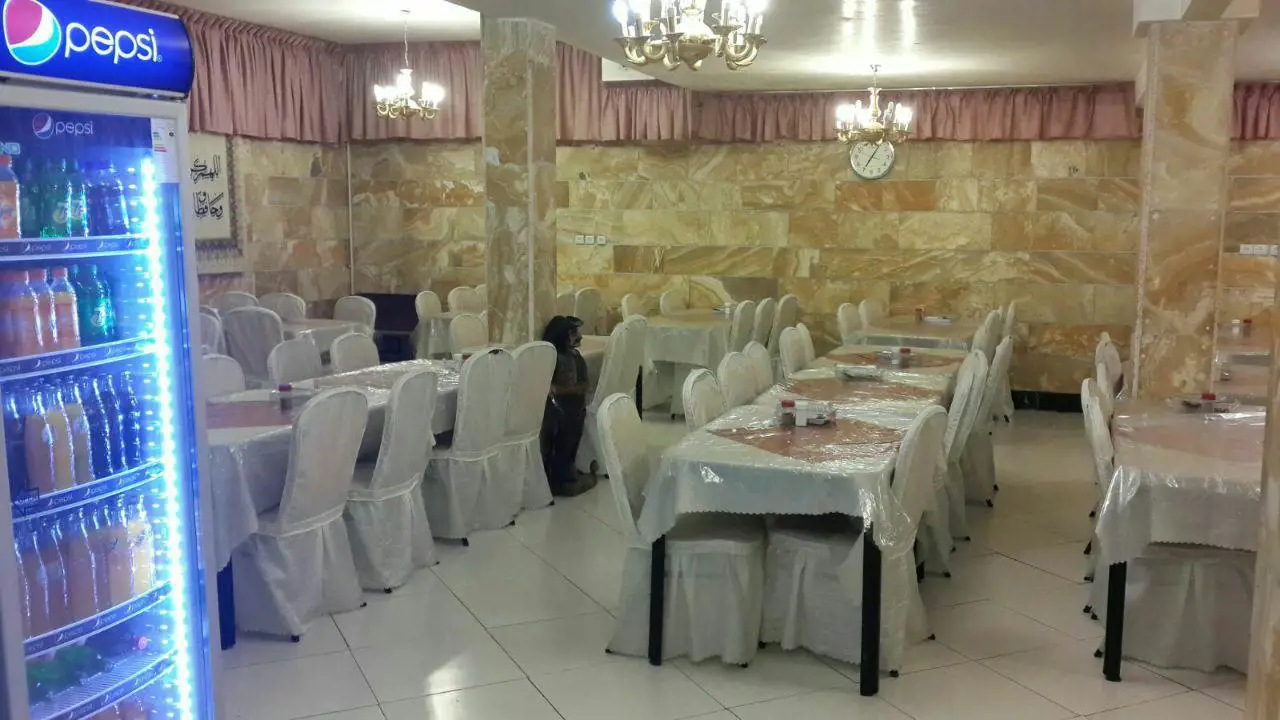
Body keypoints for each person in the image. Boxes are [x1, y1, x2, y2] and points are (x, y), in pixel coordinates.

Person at [541, 315, 596, 497]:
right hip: (561, 410)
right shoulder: (556, 357)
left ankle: (568, 473)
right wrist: (575, 388)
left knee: (572, 442)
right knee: (561, 444)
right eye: (573, 333)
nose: (579, 337)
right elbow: (553, 388)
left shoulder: (575, 356)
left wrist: (580, 388)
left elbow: (584, 382)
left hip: (575, 408)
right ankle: (561, 480)